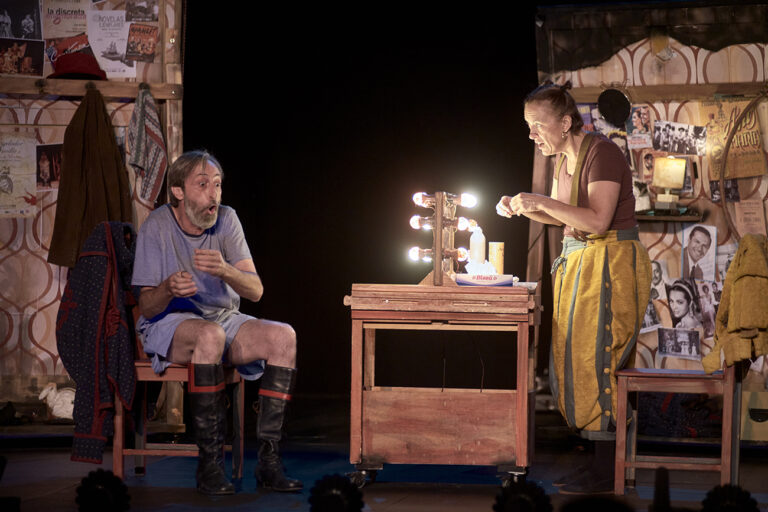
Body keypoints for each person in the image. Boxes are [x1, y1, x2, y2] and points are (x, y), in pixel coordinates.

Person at [496, 82, 651, 494]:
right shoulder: (562, 158)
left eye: (537, 125)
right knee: (579, 360)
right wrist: (522, 205)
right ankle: (597, 462)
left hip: (611, 265)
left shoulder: (601, 153)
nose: (532, 134)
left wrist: (540, 202)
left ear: (565, 123)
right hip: (583, 264)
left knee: (600, 359)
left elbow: (597, 221)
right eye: (528, 126)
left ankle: (608, 470)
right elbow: (566, 216)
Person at [131, 150, 302, 495]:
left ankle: (269, 463)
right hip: (170, 323)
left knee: (284, 336)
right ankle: (209, 467)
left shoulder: (227, 219)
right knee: (209, 335)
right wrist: (167, 288)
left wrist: (225, 269)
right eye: (203, 184)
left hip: (223, 319)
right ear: (178, 191)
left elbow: (255, 290)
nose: (214, 194)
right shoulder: (157, 225)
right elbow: (146, 306)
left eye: (218, 185)